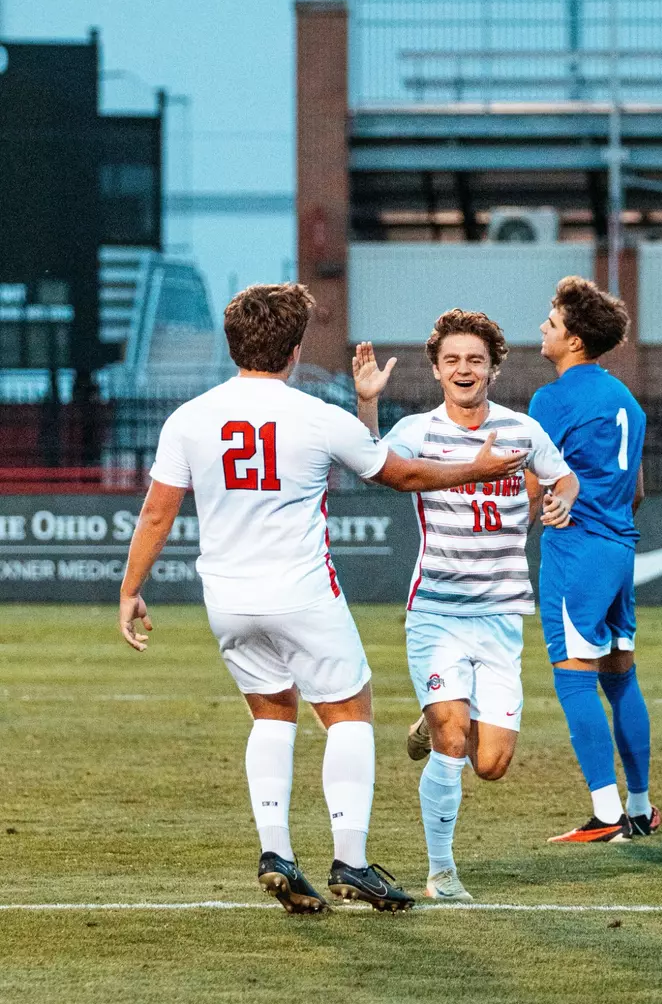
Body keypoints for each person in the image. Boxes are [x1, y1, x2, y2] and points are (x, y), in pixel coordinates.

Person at [118, 283, 527, 915]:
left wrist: (131, 589)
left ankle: (276, 851)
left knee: (272, 715)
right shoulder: (316, 416)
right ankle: (353, 863)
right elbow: (403, 473)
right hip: (302, 593)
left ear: (234, 343)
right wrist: (479, 469)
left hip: (227, 598)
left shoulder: (188, 418)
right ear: (295, 347)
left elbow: (155, 516)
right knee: (349, 715)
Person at [353, 309, 578, 900]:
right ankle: (442, 872)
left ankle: (432, 720)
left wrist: (560, 502)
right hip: (437, 613)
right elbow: (376, 465)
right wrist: (370, 405)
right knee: (454, 744)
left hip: (502, 616)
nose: (463, 369)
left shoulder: (523, 431)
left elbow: (564, 478)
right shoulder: (418, 430)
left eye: (474, 359)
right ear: (436, 369)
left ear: (493, 369)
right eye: (452, 359)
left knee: (493, 764)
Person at [529, 276, 660, 844]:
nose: (543, 327)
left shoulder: (553, 398)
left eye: (552, 322)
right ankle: (640, 807)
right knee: (620, 676)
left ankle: (606, 814)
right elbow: (636, 491)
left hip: (576, 549)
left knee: (574, 679)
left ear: (575, 340)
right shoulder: (626, 399)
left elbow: (539, 481)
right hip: (619, 547)